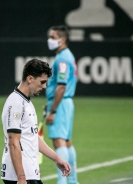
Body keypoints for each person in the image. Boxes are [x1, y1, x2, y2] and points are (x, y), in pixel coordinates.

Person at [0, 58, 71, 184]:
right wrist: (21, 177)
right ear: (30, 78)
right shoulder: (15, 103)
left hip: (29, 173)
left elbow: (33, 137)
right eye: (42, 82)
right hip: (20, 176)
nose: (44, 86)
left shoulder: (27, 102)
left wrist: (56, 158)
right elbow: (13, 142)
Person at [45, 25, 78, 184]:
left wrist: (52, 110)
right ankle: (72, 181)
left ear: (62, 39)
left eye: (53, 37)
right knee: (67, 141)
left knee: (59, 141)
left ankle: (63, 181)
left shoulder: (62, 58)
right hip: (66, 103)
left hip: (61, 103)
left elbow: (61, 86)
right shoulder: (67, 55)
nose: (50, 40)